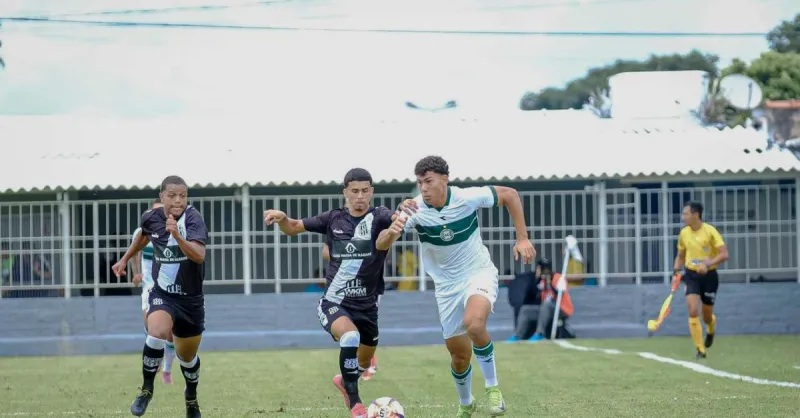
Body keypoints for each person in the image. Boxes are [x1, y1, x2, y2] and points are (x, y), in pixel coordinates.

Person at [385, 156, 537, 418]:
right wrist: (393, 227)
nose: (423, 188)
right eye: (420, 182)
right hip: (446, 288)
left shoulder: (467, 198)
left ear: (444, 180)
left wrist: (522, 238)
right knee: (459, 356)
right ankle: (466, 403)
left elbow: (510, 194)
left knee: (475, 324)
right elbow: (383, 242)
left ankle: (493, 389)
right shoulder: (415, 210)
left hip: (478, 274)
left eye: (429, 181)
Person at [263, 168, 394, 418]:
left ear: (372, 192)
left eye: (365, 191)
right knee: (350, 337)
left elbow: (397, 217)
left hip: (368, 307)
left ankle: (345, 380)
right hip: (334, 302)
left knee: (363, 363)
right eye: (354, 191)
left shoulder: (380, 217)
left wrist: (405, 212)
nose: (360, 196)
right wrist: (282, 218)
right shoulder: (332, 219)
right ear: (345, 192)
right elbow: (292, 227)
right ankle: (356, 405)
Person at [112, 175, 209, 418]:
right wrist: (124, 259)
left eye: (183, 196)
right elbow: (143, 236)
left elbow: (199, 255)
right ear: (162, 196)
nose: (178, 201)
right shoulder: (151, 218)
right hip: (162, 294)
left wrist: (177, 236)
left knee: (187, 358)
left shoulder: (193, 219)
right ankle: (146, 390)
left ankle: (191, 398)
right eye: (173, 195)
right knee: (155, 332)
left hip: (190, 300)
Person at [673, 201, 729, 360]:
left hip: (709, 276)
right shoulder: (684, 233)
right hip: (691, 275)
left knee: (706, 316)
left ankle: (711, 328)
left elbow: (724, 254)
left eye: (686, 214)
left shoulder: (710, 231)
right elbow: (681, 255)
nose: (683, 217)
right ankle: (700, 349)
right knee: (692, 311)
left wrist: (707, 263)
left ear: (696, 215)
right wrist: (676, 272)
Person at [129, 199, 176, 385]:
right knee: (151, 328)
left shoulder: (172, 233)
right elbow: (134, 252)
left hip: (168, 287)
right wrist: (136, 273)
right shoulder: (142, 232)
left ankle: (166, 370)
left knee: (171, 333)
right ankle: (155, 357)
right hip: (149, 287)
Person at [511, 258, 574, 342]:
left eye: (544, 268)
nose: (543, 271)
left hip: (562, 309)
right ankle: (517, 336)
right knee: (525, 309)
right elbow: (531, 295)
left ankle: (539, 334)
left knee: (546, 305)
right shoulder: (541, 281)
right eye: (541, 268)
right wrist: (537, 279)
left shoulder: (559, 278)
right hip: (546, 310)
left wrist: (550, 283)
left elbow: (560, 294)